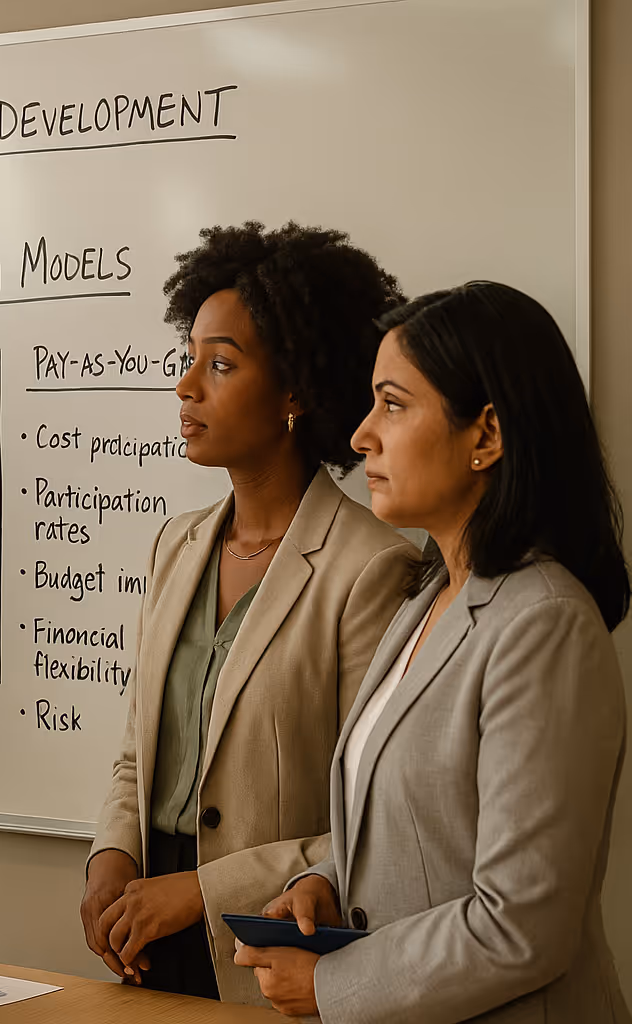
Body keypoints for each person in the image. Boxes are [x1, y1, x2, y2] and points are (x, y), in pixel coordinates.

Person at [240, 282, 630, 1023]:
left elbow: (521, 927)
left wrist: (329, 988)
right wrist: (326, 882)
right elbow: (422, 837)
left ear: (486, 436)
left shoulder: (544, 624)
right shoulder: (426, 598)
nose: (361, 435)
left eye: (392, 403)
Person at [80, 222, 416, 1002]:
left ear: (296, 391)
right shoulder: (177, 545)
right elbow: (138, 751)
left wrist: (203, 890)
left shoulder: (372, 568)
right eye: (189, 357)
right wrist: (109, 860)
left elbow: (376, 822)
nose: (186, 386)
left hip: (272, 943)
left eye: (221, 364)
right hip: (145, 930)